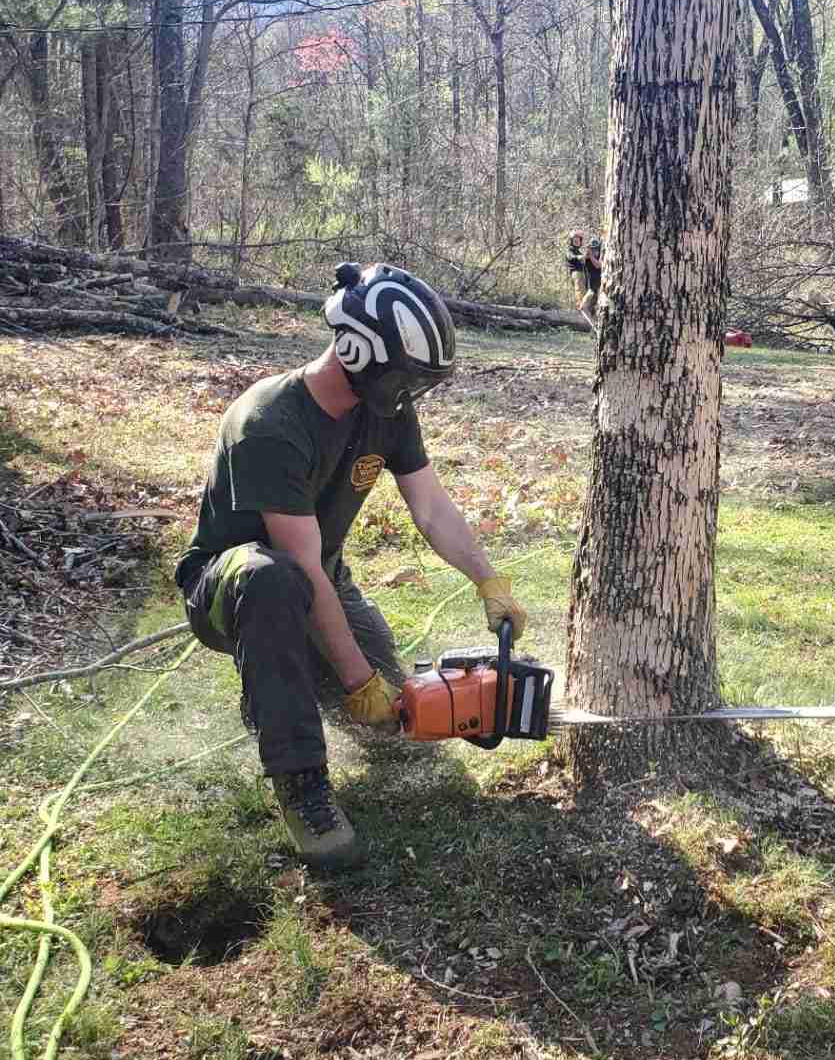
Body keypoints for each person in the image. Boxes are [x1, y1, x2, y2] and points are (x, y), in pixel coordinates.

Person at [175, 261, 529, 874]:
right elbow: (300, 567)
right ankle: (301, 784)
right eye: (405, 378)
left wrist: (487, 578)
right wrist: (356, 677)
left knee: (392, 725)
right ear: (356, 351)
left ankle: (280, 687)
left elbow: (431, 504)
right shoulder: (269, 424)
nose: (410, 393)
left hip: (321, 578)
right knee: (277, 586)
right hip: (231, 587)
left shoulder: (384, 410)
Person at [566, 228, 602, 334]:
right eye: (575, 240)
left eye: (579, 239)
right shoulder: (571, 251)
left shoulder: (598, 257)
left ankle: (596, 328)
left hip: (593, 287)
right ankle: (596, 328)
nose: (577, 241)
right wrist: (586, 255)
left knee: (588, 307)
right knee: (582, 306)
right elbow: (574, 257)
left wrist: (589, 255)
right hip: (581, 278)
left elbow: (598, 264)